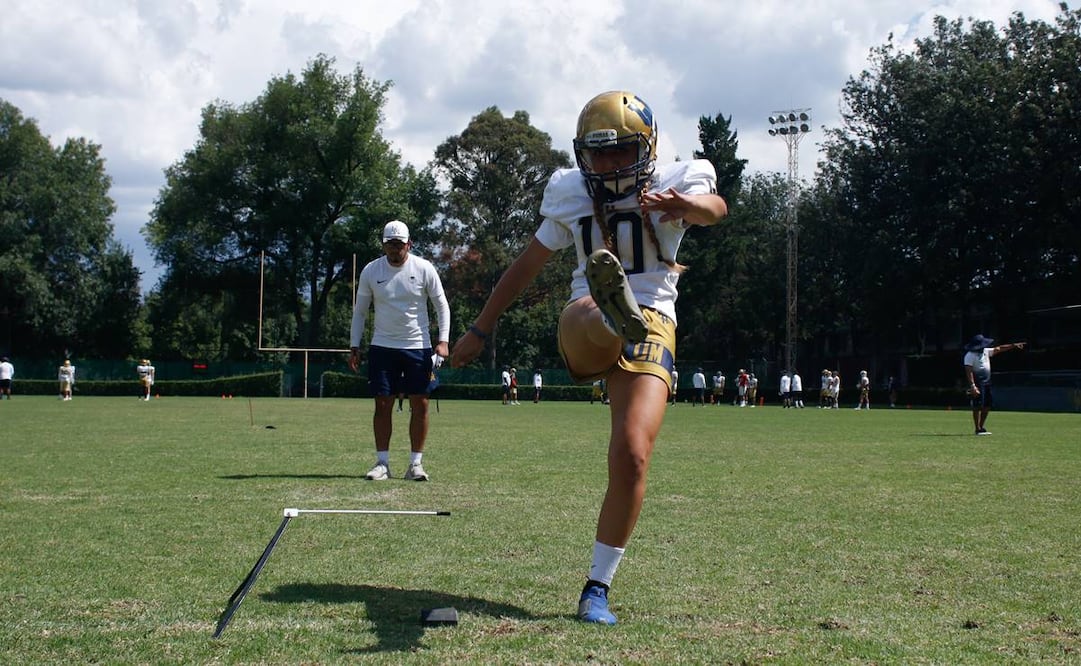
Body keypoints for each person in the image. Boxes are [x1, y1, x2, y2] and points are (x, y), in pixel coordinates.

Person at [450, 90, 727, 625]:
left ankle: (596, 588)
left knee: (631, 455)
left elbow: (716, 208)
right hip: (584, 318)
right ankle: (609, 311)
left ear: (646, 147)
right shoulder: (570, 193)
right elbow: (525, 267)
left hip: (653, 323)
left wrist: (687, 207)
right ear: (581, 155)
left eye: (619, 151)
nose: (605, 165)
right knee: (588, 311)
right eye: (596, 154)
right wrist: (480, 328)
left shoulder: (679, 177)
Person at [349, 220, 450, 481]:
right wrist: (354, 345)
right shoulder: (371, 271)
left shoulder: (424, 268)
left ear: (409, 244)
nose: (394, 250)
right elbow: (360, 312)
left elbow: (442, 305)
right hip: (382, 346)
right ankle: (382, 463)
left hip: (418, 346)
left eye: (399, 244)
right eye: (389, 244)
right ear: (383, 244)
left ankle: (415, 465)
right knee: (382, 403)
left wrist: (443, 341)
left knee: (421, 403)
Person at [963, 334, 1026, 435]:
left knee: (987, 405)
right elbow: (968, 371)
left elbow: (999, 348)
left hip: (987, 383)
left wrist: (1013, 345)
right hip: (977, 383)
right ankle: (977, 428)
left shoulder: (985, 352)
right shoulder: (969, 355)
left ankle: (981, 426)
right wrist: (973, 386)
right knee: (977, 406)